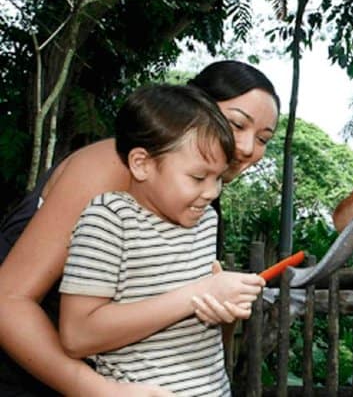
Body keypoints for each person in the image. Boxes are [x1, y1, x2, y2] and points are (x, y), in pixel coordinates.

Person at [0, 61, 280, 396]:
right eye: (236, 124)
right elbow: (8, 301)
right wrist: (98, 391)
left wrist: (222, 309)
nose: (248, 148)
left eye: (263, 138)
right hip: (26, 368)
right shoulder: (115, 170)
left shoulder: (198, 203)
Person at [59, 84, 239, 396]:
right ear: (142, 164)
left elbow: (202, 335)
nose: (212, 193)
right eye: (198, 178)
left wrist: (222, 309)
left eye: (219, 179)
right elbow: (76, 336)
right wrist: (196, 294)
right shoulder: (109, 219)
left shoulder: (206, 220)